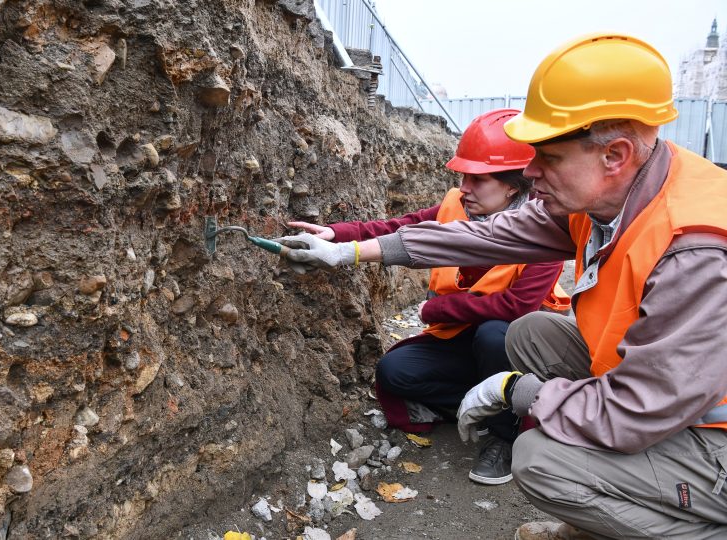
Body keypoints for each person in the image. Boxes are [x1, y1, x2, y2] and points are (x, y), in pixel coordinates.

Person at [276, 32, 727, 539]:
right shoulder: (611, 199)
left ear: (615, 155)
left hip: (708, 434)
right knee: (532, 333)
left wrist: (519, 389)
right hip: (663, 391)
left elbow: (640, 409)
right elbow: (482, 236)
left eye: (548, 158)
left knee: (541, 461)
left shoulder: (695, 249)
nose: (530, 171)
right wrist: (347, 249)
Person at [287, 108, 568, 486]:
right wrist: (336, 235)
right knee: (394, 372)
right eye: (463, 175)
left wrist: (434, 308)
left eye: (477, 178)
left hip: (514, 344)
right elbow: (400, 228)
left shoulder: (547, 229)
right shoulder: (457, 206)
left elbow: (517, 306)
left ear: (512, 186)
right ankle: (480, 403)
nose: (464, 186)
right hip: (458, 335)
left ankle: (504, 434)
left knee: (494, 332)